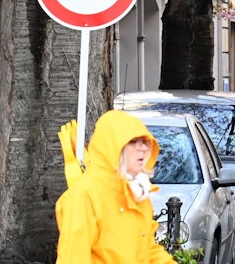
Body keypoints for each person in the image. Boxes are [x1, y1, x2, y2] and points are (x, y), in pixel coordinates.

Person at [55, 109, 175, 264]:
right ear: (112, 147)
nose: (143, 148)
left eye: (145, 142)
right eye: (133, 142)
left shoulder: (136, 192)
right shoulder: (84, 196)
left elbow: (148, 250)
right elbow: (74, 258)